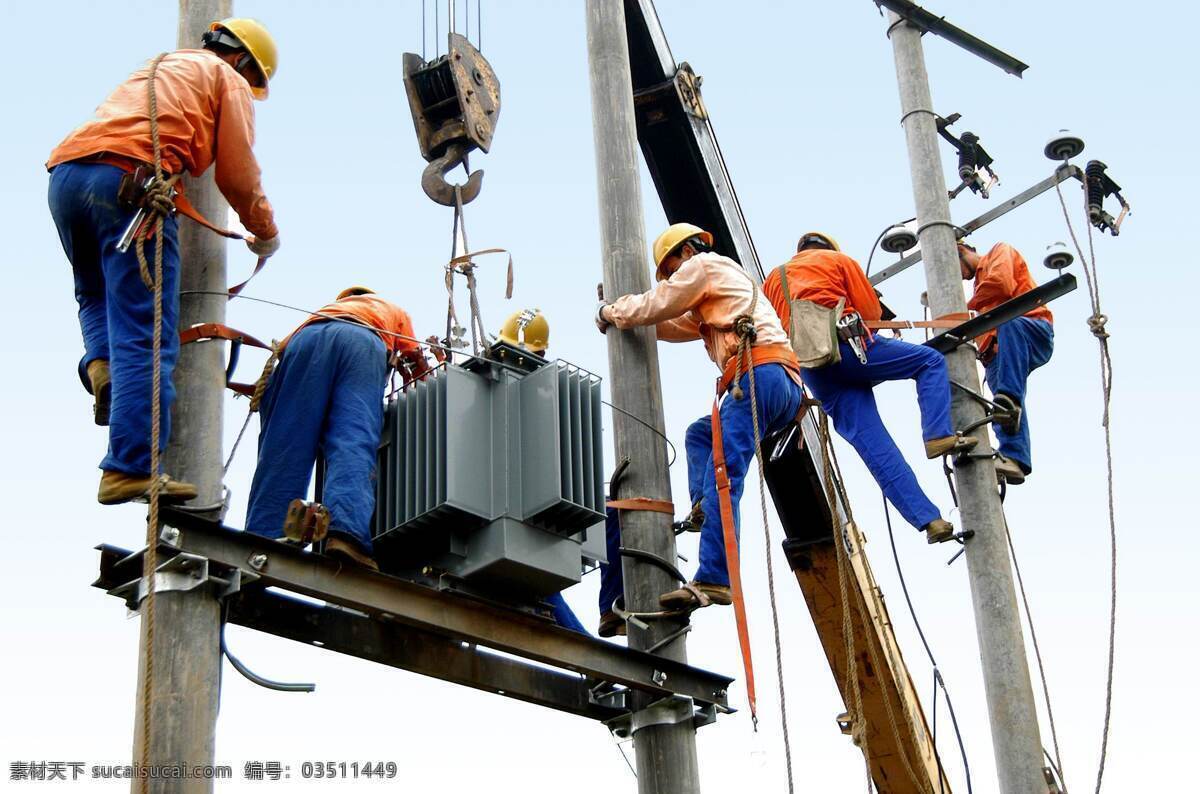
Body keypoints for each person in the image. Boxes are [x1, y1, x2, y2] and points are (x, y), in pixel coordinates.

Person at [47, 17, 281, 505]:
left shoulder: (160, 68)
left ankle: (101, 365)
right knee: (146, 333)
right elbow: (238, 173)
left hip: (68, 177)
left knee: (95, 293)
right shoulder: (227, 78)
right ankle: (127, 468)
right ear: (242, 61)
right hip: (131, 185)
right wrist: (264, 232)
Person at [596, 223, 804, 609]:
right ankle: (702, 507)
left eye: (672, 269)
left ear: (686, 253)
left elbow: (657, 304)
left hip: (757, 376)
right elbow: (666, 323)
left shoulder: (703, 265)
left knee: (724, 477)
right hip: (779, 385)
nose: (674, 278)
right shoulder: (719, 291)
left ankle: (715, 577)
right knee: (699, 435)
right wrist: (624, 314)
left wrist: (611, 310)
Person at [763, 232, 971, 544]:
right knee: (928, 362)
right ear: (830, 246)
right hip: (849, 349)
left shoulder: (773, 279)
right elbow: (869, 312)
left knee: (874, 445)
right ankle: (938, 434)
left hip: (814, 369)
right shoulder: (838, 260)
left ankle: (930, 520)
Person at [245, 288, 438, 570]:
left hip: (303, 343)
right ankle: (346, 536)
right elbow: (415, 363)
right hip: (363, 342)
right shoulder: (391, 310)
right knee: (352, 442)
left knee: (285, 446)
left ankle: (262, 536)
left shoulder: (324, 313)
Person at [958, 241, 1054, 484]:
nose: (958, 277)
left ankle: (1008, 400)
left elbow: (1002, 285)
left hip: (1030, 329)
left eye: (955, 267)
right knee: (1001, 395)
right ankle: (1015, 458)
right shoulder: (979, 289)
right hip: (998, 350)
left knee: (1007, 319)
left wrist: (961, 311)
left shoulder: (998, 253)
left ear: (960, 250)